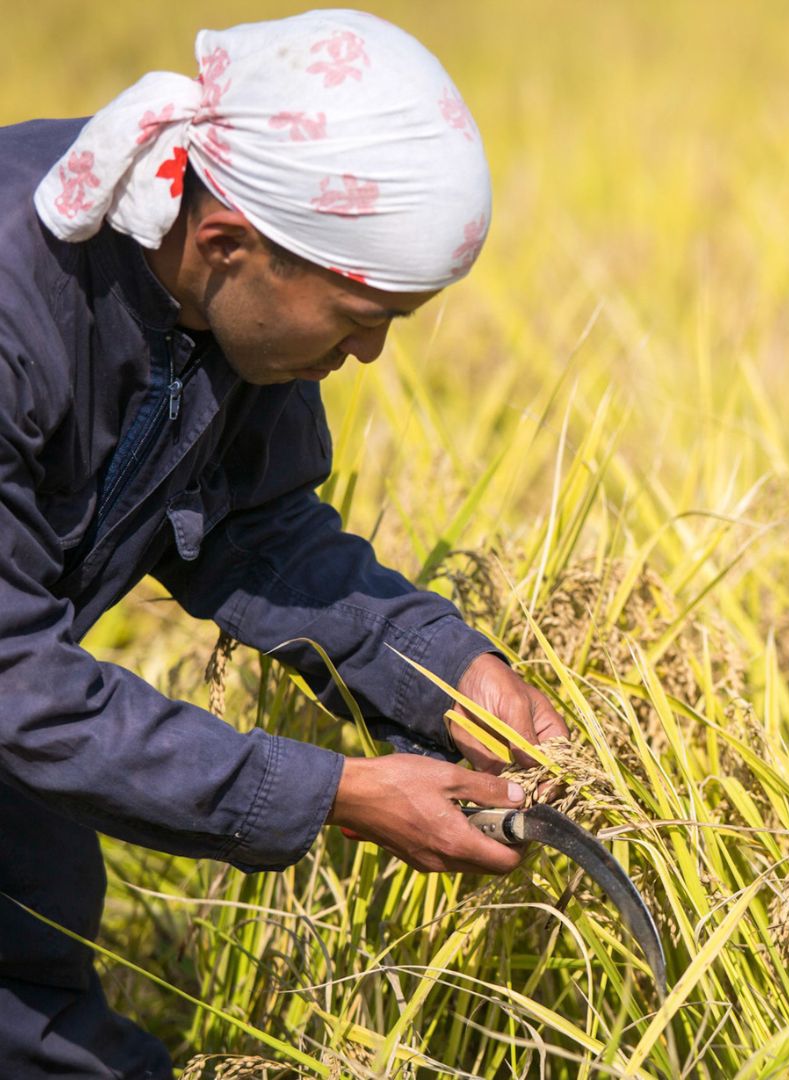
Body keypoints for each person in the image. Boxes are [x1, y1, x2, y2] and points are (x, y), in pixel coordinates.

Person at [0, 10, 567, 1077]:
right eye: (360, 317)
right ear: (228, 245)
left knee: (41, 953)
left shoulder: (223, 316)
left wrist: (448, 672)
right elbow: (11, 680)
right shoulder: (13, 311)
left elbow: (256, 533)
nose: (369, 354)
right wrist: (340, 796)